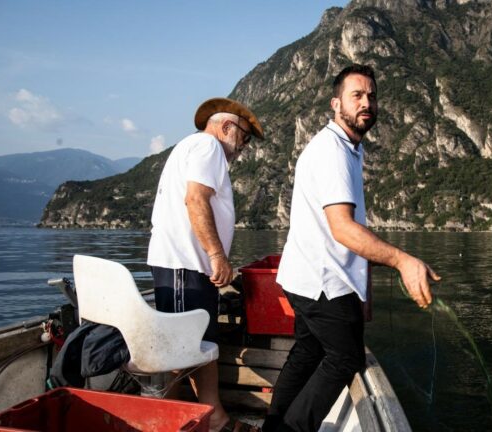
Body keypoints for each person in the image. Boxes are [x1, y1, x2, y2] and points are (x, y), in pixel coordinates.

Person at [264, 64, 441, 432]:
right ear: (335, 103)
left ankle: (273, 425)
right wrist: (402, 261)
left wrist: (365, 289)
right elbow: (343, 229)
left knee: (308, 352)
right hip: (324, 280)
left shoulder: (346, 148)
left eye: (372, 96)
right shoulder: (333, 151)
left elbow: (349, 229)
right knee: (344, 360)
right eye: (357, 95)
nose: (367, 103)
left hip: (306, 277)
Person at [147, 97, 263, 432]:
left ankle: (213, 417)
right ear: (228, 127)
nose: (243, 148)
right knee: (181, 349)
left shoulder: (193, 147)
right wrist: (216, 255)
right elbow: (195, 199)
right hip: (184, 264)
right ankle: (163, 420)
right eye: (244, 138)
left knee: (200, 342)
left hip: (187, 267)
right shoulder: (208, 147)